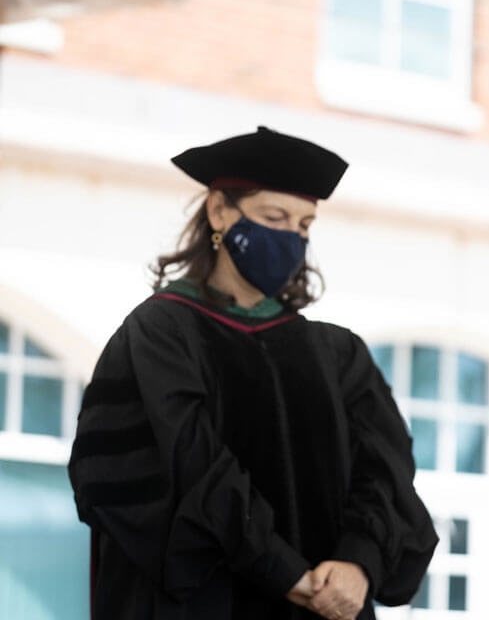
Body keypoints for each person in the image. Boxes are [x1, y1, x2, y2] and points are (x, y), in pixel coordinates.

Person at [68, 127, 437, 620]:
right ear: (219, 211)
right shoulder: (161, 332)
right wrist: (285, 573)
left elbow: (384, 474)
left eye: (305, 225)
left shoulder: (337, 353)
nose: (291, 237)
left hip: (326, 606)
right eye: (274, 217)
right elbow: (183, 465)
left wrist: (357, 563)